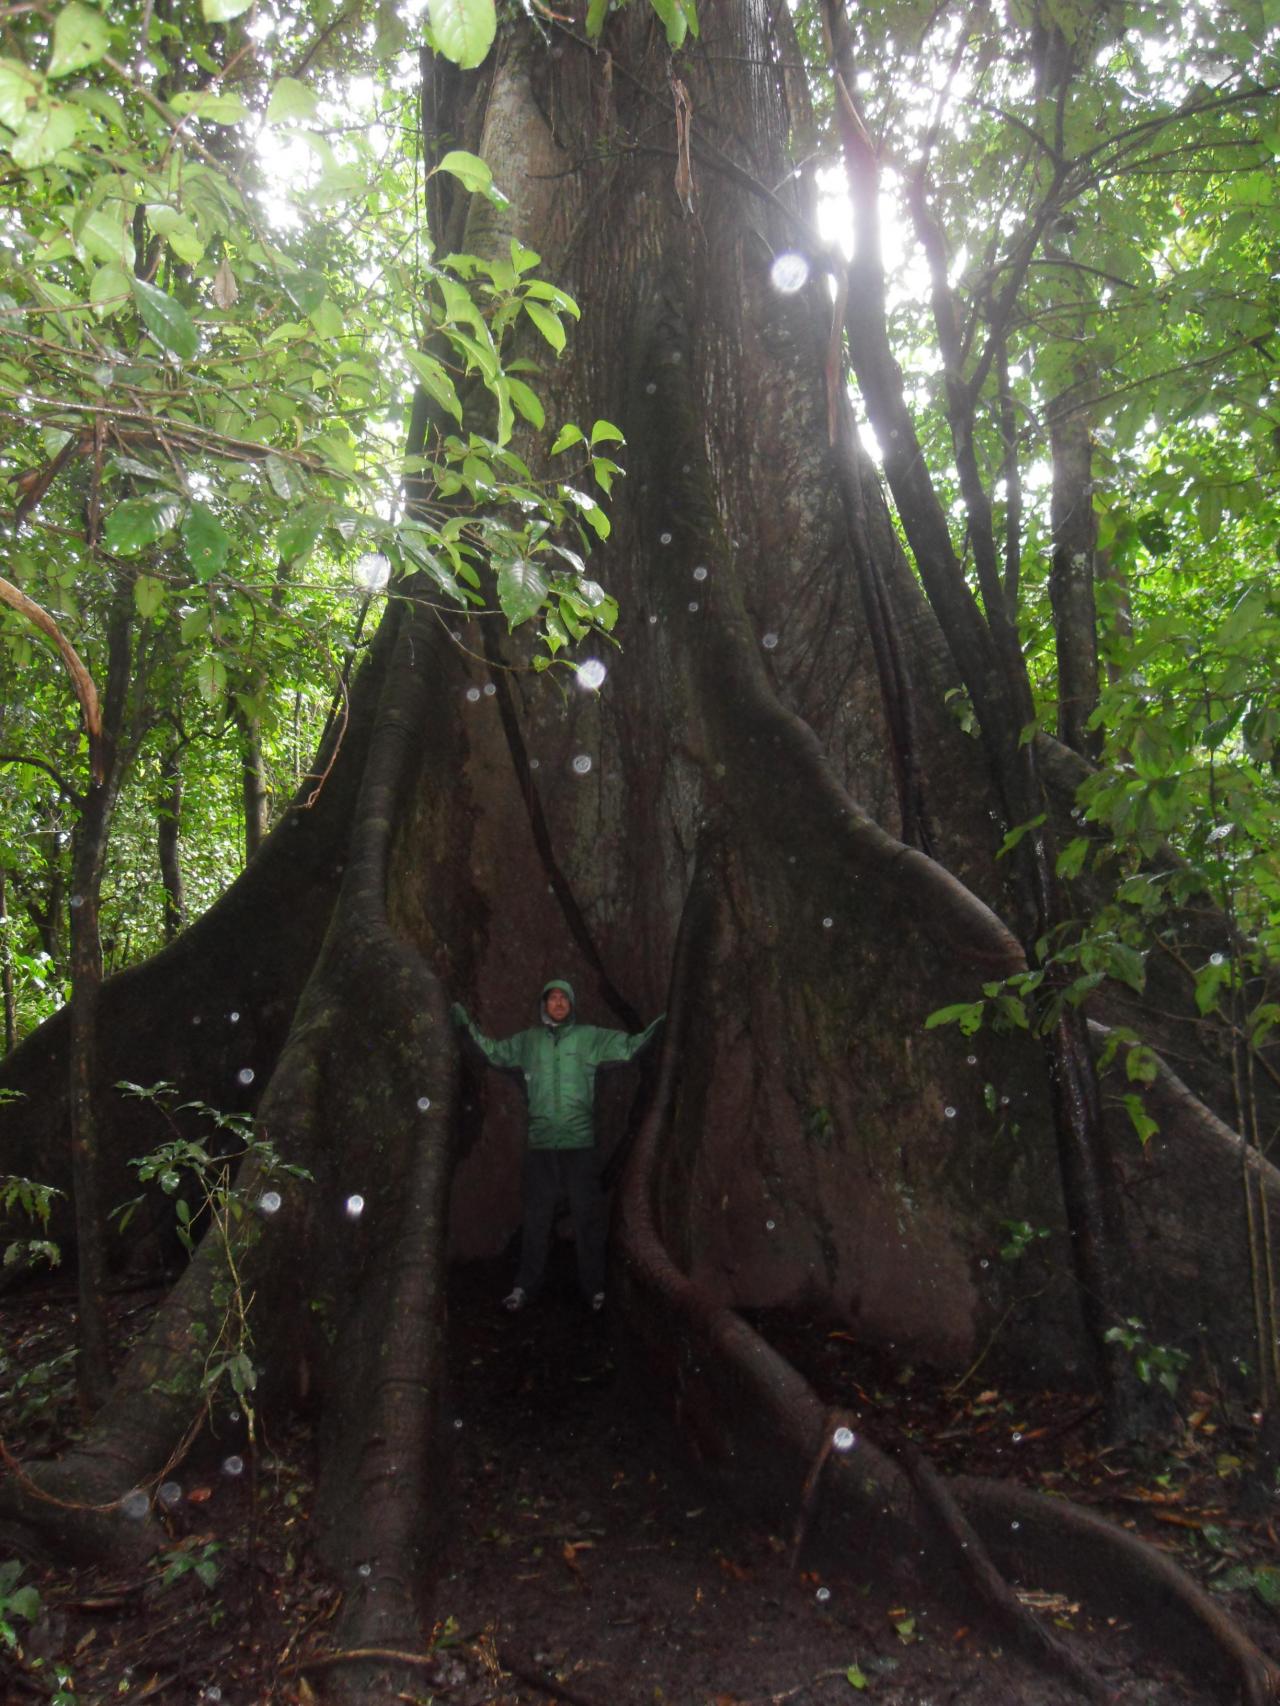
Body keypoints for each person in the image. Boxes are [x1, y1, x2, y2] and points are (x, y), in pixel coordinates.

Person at [452, 979, 664, 1313]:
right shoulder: (528, 1042)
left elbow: (629, 1046)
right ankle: (524, 1286)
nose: (559, 1002)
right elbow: (492, 1052)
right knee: (536, 1221)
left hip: (580, 1147)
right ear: (544, 1005)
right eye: (553, 998)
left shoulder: (588, 1038)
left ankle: (593, 1288)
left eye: (564, 998)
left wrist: (661, 1026)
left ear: (572, 1005)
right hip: (541, 1149)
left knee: (587, 1221)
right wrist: (464, 1025)